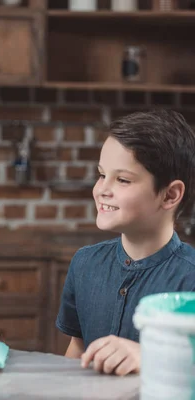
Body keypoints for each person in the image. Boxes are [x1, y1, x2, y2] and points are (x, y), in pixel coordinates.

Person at [56, 109, 195, 376]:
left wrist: (151, 358)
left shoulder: (190, 278)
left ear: (170, 195)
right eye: (101, 174)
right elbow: (77, 352)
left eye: (122, 179)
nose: (102, 189)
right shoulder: (85, 264)